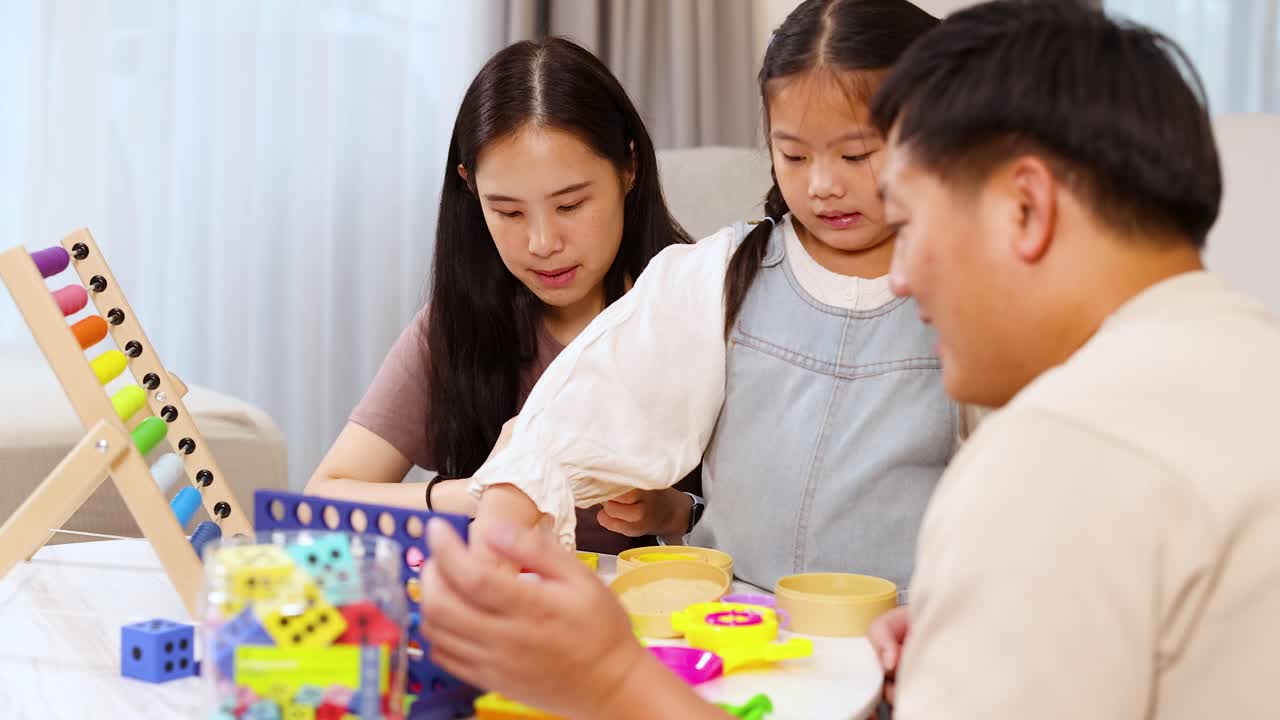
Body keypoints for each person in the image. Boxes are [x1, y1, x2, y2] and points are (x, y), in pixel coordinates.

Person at [468, 0, 969, 594]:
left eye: (856, 155)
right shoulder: (724, 274)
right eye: (794, 154)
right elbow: (593, 398)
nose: (822, 185)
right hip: (730, 627)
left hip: (896, 639)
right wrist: (509, 504)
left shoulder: (970, 291)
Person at [305, 37, 697, 554]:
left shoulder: (696, 307)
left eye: (571, 205)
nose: (542, 245)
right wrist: (480, 492)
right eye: (508, 212)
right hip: (493, 611)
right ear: (470, 189)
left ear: (629, 168)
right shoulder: (458, 323)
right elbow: (322, 501)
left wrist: (674, 511)